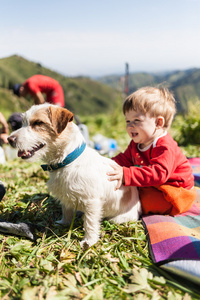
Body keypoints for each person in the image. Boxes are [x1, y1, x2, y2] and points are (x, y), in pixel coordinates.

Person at [107, 86, 197, 216]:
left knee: (144, 200)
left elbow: (159, 174)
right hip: (155, 185)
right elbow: (125, 159)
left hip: (175, 192)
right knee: (128, 188)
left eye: (137, 120)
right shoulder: (137, 143)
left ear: (158, 123)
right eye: (128, 121)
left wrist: (126, 174)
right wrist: (107, 165)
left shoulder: (165, 146)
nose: (130, 126)